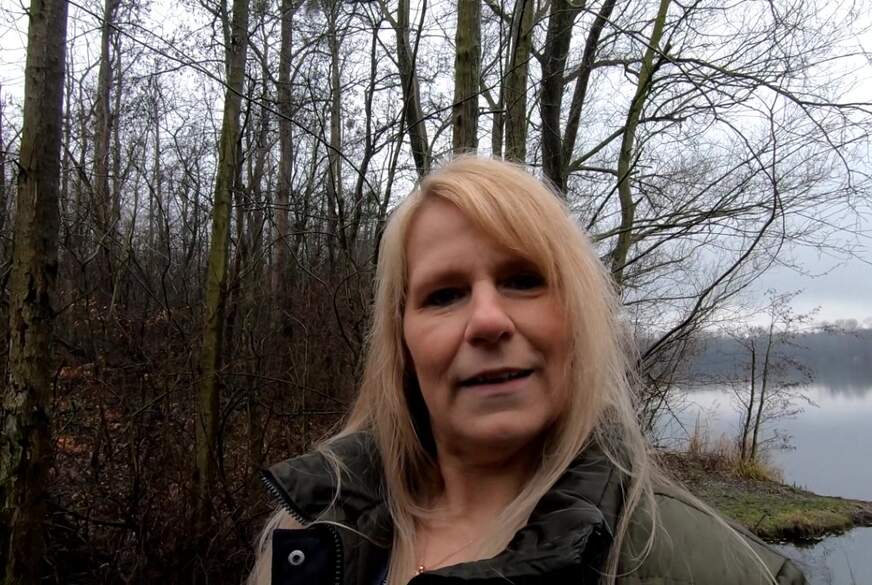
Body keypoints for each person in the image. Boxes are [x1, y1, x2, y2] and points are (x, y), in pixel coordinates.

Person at [249, 156, 807, 585]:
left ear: (577, 320)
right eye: (444, 294)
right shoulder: (309, 533)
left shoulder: (714, 570)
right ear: (403, 343)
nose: (488, 321)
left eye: (523, 280)